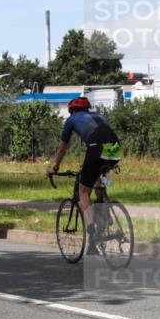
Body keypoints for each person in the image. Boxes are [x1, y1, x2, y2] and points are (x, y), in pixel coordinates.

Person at [46, 97, 122, 250]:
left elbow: (62, 148)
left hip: (96, 148)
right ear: (87, 109)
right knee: (96, 178)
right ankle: (105, 211)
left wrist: (55, 168)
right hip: (115, 148)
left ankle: (93, 234)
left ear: (71, 111)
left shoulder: (71, 120)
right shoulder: (100, 115)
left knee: (83, 192)